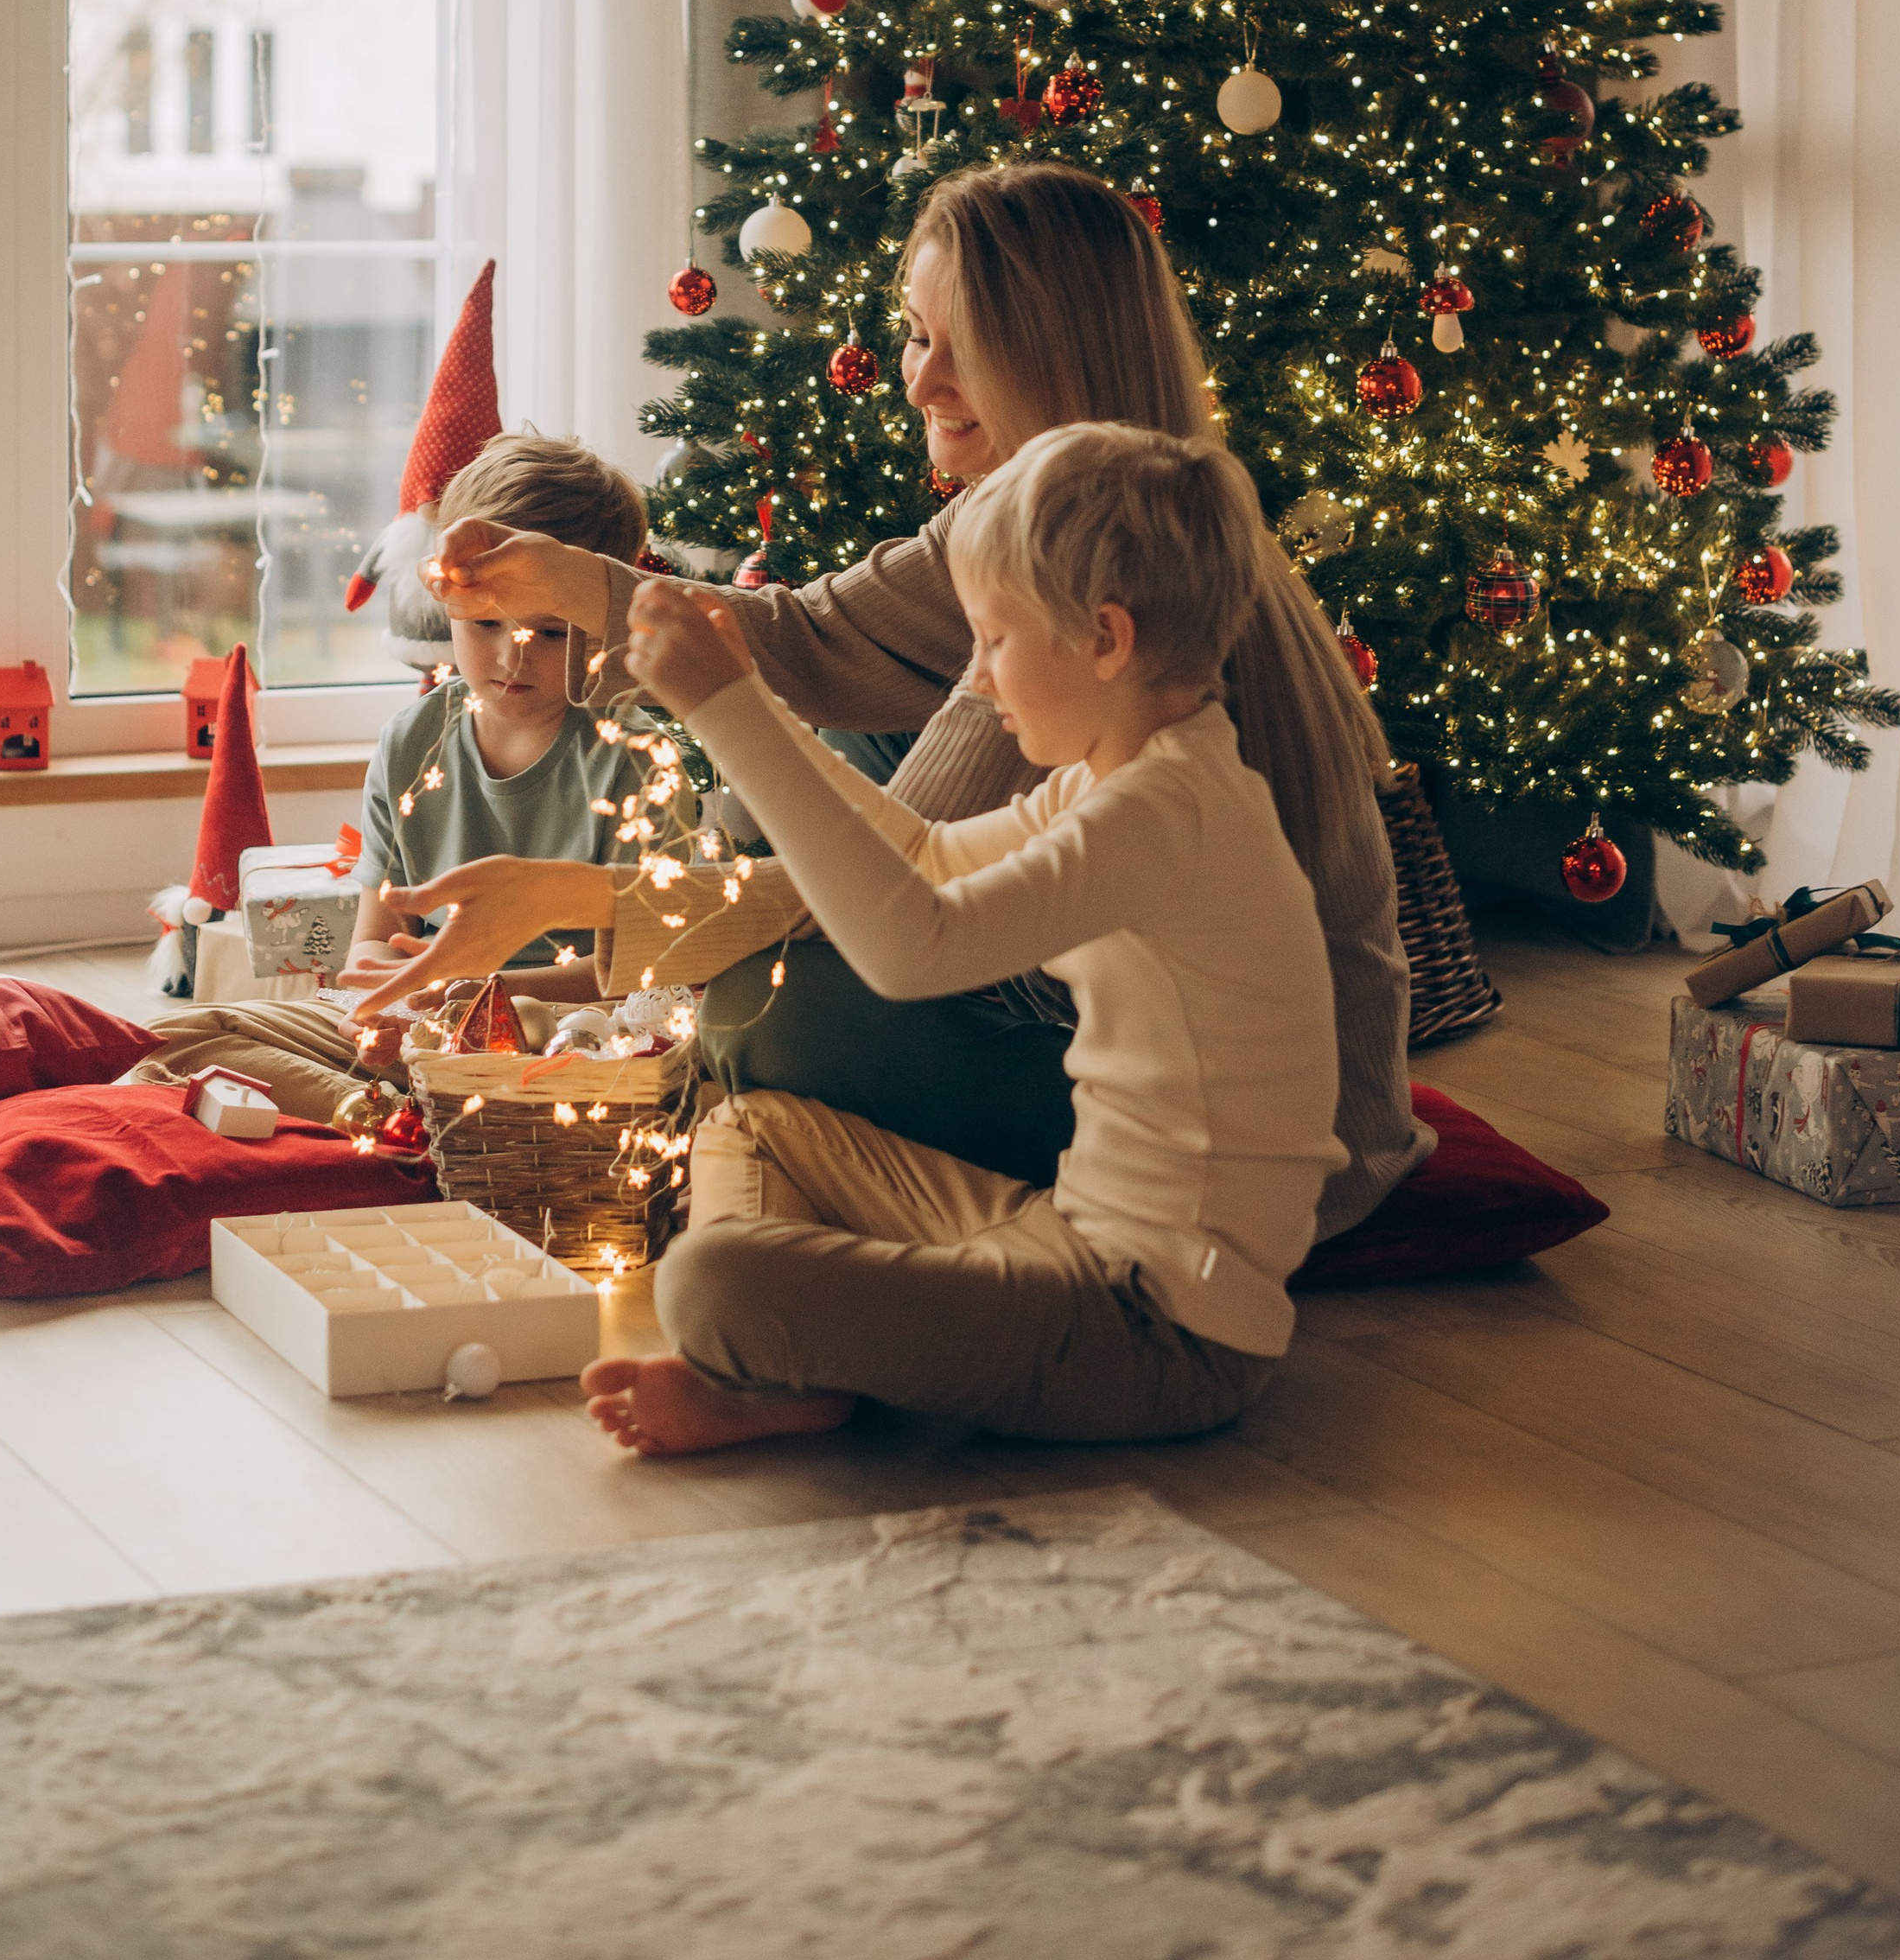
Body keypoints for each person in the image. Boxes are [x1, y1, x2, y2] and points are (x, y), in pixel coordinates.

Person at [410, 164, 1426, 1242]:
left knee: (768, 1007)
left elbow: (892, 891)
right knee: (837, 727)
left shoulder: (1084, 596)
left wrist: (576, 931)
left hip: (1249, 1165)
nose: (920, 382)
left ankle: (960, 1228)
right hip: (1130, 1031)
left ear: (1056, 360)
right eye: (913, 336)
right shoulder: (1057, 512)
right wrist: (569, 576)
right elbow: (814, 638)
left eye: (962, 349)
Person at [357, 424, 1346, 1452]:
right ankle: (790, 1370)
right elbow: (915, 853)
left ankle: (781, 1352)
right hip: (1069, 1236)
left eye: (996, 642)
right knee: (750, 1126)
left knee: (706, 1277)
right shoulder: (1129, 782)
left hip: (1160, 1328)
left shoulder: (1161, 814)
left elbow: (911, 946)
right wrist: (737, 713)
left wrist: (726, 705)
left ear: (1104, 639)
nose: (983, 681)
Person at [124, 432, 645, 1124]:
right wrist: (382, 1002)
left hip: (557, 1038)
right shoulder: (413, 741)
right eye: (487, 621)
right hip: (424, 1018)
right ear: (448, 600)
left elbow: (630, 981)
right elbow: (374, 935)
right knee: (170, 1041)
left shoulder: (630, 758)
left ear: (602, 618)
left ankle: (402, 1120)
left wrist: (475, 994)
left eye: (550, 633)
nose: (511, 655)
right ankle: (381, 1115)